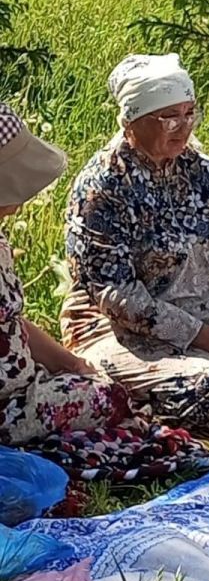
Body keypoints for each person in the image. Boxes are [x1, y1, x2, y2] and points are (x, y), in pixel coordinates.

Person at [62, 53, 209, 431]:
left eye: (190, 113)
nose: (183, 126)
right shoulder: (103, 187)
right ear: (131, 121)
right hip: (124, 333)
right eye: (169, 116)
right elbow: (116, 296)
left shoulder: (200, 169)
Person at [0, 103, 131, 446]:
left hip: (23, 386)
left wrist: (70, 363)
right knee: (110, 398)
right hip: (8, 407)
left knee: (102, 386)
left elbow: (11, 320)